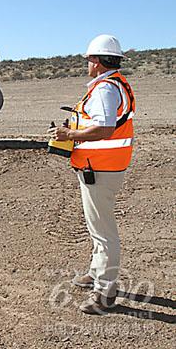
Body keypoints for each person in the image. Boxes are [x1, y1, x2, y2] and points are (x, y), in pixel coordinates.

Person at [49, 34, 135, 314]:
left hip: (101, 167)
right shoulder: (114, 84)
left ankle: (105, 291)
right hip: (102, 165)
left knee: (104, 232)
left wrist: (70, 133)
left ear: (97, 62)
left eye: (88, 59)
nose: (87, 64)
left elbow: (105, 128)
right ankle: (96, 273)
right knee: (98, 227)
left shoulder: (105, 89)